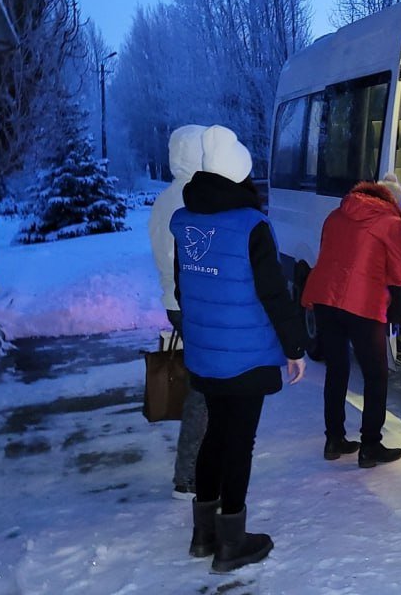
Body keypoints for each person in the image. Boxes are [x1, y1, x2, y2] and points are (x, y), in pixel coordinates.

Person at [170, 125, 309, 573]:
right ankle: (231, 540)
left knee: (214, 434)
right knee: (239, 442)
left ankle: (202, 534)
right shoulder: (252, 226)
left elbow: (182, 289)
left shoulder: (187, 221)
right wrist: (295, 347)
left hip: (207, 354)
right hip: (246, 355)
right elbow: (274, 294)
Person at [301, 173, 401, 469]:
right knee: (376, 375)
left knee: (337, 369)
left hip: (326, 300)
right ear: (394, 202)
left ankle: (334, 439)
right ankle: (370, 446)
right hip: (362, 305)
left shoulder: (336, 214)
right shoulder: (390, 224)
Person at [148, 124, 208, 501]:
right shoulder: (191, 199)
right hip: (191, 304)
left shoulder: (165, 198)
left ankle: (194, 468)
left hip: (175, 302)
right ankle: (188, 475)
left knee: (202, 387)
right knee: (203, 391)